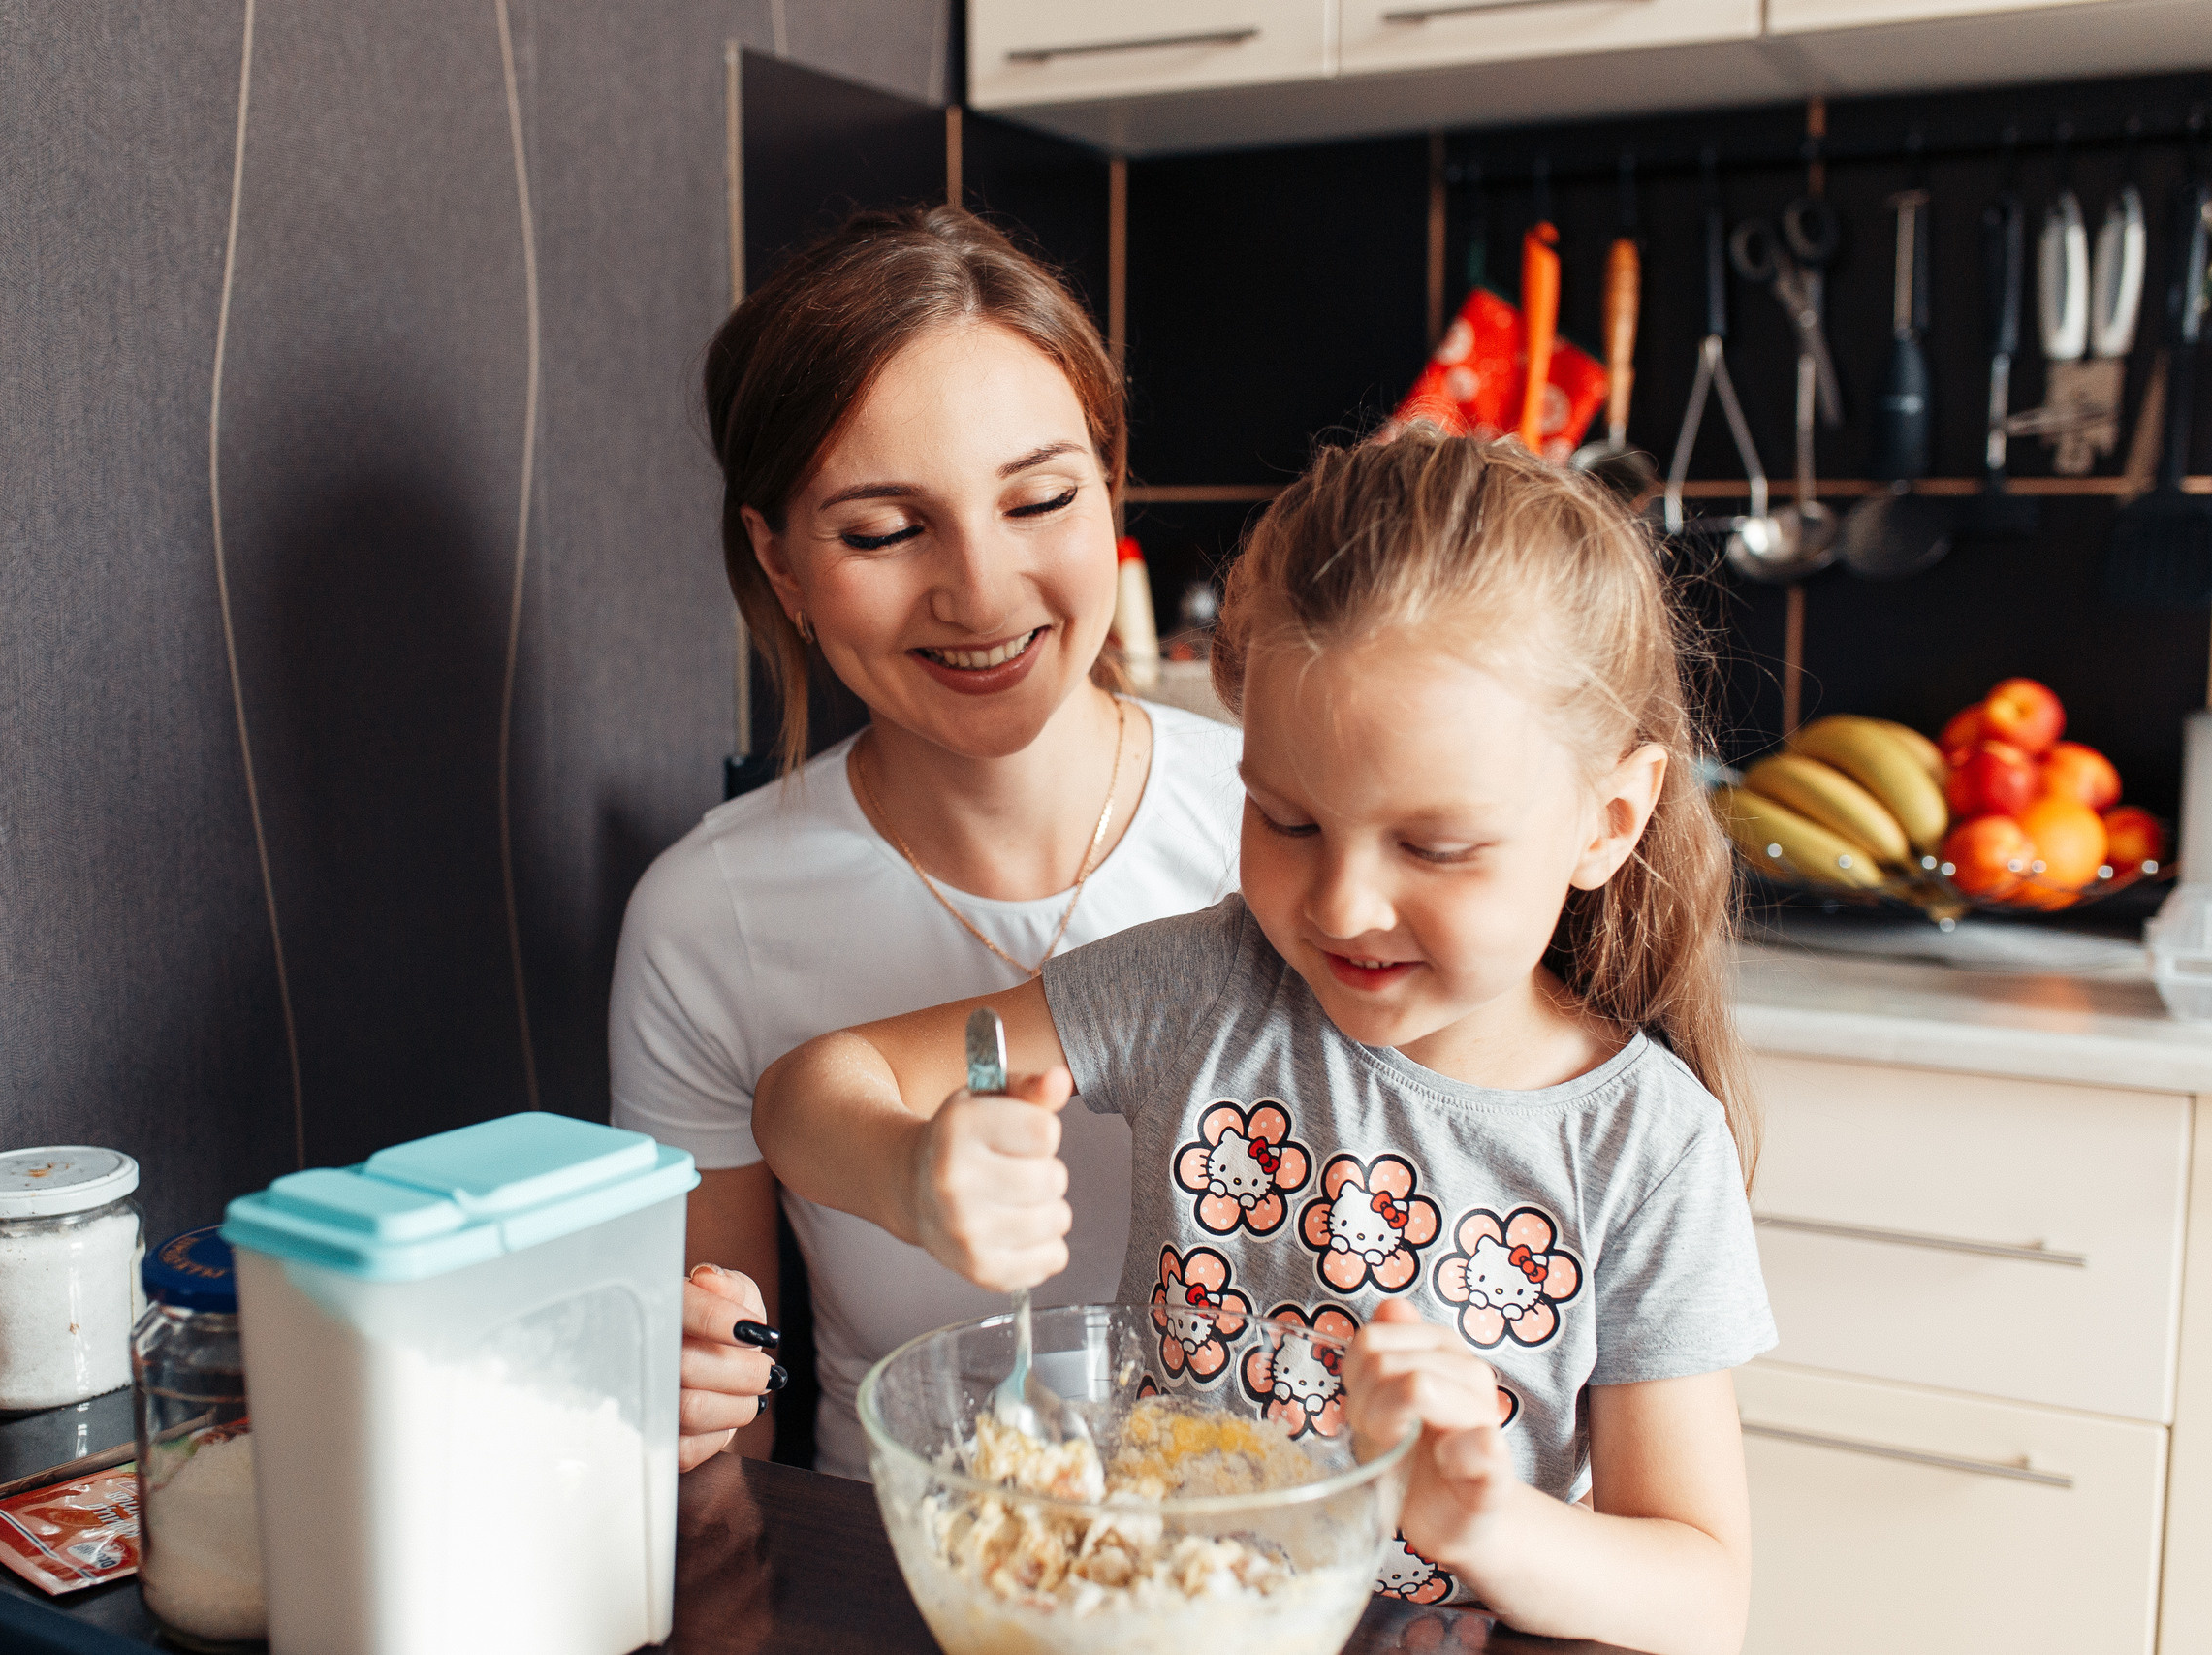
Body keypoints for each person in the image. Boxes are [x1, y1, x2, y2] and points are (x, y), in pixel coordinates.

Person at [753, 430, 1773, 1655]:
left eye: (1433, 847)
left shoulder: (1644, 1147)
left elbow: (1700, 1595)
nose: (1341, 904)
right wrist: (908, 1170)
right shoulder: (1199, 986)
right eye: (1286, 819)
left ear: (1606, 820)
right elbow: (809, 1092)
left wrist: (1487, 1522)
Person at [608, 205, 1244, 1480]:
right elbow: (722, 1430)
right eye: (886, 530)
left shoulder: (1295, 842)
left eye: (1041, 498)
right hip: (899, 1560)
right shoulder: (703, 918)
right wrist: (668, 1386)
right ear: (780, 564)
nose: (981, 590)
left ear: (1107, 484)